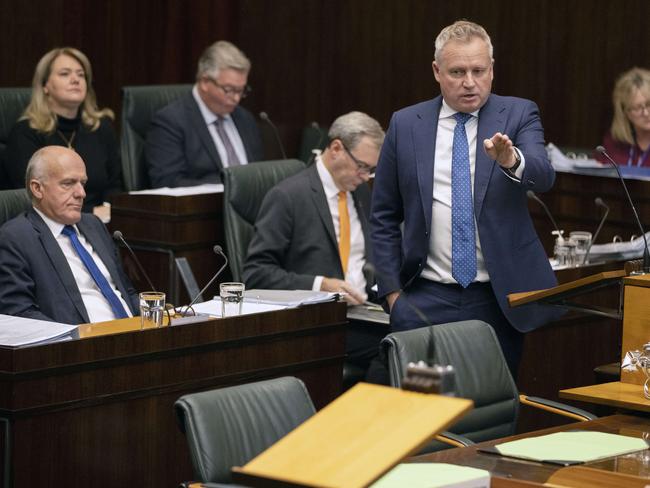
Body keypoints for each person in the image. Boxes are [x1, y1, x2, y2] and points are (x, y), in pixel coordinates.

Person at [370, 20, 559, 378]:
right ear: (437, 71)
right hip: (423, 299)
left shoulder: (519, 113)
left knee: (492, 409)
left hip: (496, 299)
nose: (469, 82)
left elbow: (544, 175)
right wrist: (393, 295)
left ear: (492, 70)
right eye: (457, 72)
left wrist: (511, 160)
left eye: (478, 70)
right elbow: (383, 215)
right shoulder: (406, 123)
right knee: (421, 406)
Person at [243, 111, 386, 373]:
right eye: (362, 166)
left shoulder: (359, 192)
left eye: (372, 169)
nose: (366, 176)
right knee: (394, 346)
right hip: (314, 321)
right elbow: (256, 275)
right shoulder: (288, 197)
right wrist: (321, 285)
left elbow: (369, 256)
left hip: (363, 311)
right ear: (336, 149)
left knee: (419, 333)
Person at [0, 146, 139, 324]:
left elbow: (126, 291)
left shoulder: (94, 225)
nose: (81, 193)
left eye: (83, 183)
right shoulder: (16, 238)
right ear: (37, 188)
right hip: (78, 346)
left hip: (133, 338)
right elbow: (20, 313)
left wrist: (158, 315)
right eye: (68, 183)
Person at [5, 47, 121, 220]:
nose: (75, 79)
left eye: (81, 75)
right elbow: (31, 197)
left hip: (103, 225)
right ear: (45, 85)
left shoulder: (101, 128)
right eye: (65, 74)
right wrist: (90, 214)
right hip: (48, 227)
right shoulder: (26, 133)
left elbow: (115, 186)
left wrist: (109, 211)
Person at [146, 40, 264, 188]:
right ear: (205, 82)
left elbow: (259, 173)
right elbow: (168, 183)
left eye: (241, 90)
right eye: (228, 89)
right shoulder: (170, 122)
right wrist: (229, 188)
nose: (236, 98)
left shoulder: (244, 118)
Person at [598, 67, 650, 167]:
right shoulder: (614, 142)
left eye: (649, 104)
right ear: (625, 112)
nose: (646, 113)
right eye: (637, 107)